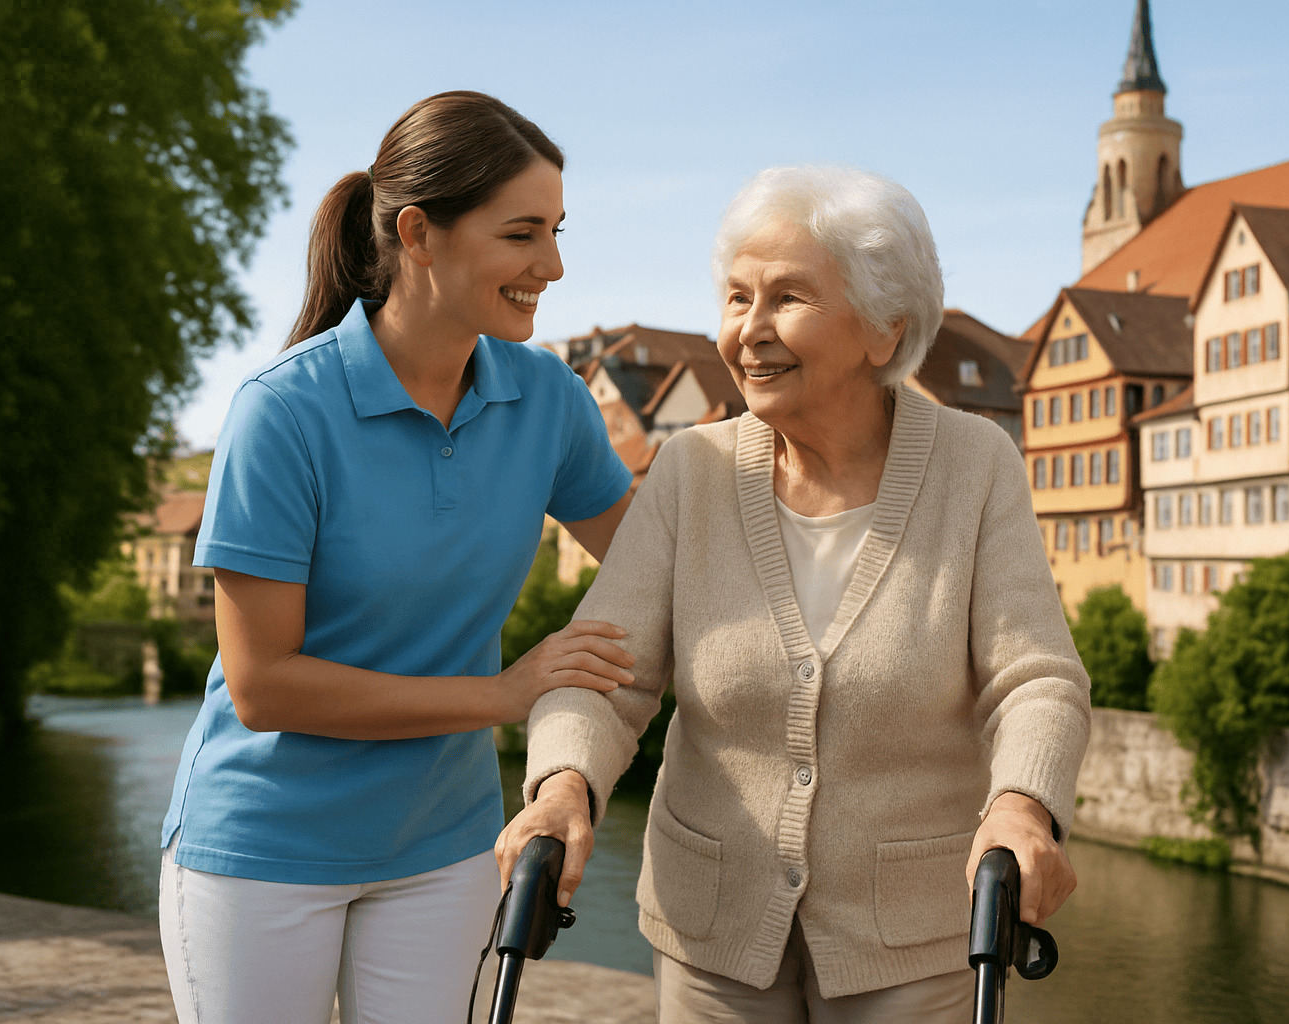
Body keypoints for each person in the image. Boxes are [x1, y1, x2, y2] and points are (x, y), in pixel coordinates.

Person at [498, 165, 1091, 1022]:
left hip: (914, 937)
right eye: (738, 298)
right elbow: (605, 674)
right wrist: (562, 786)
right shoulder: (689, 473)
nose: (749, 330)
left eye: (787, 298)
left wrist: (1021, 806)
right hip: (713, 931)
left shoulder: (976, 464)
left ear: (885, 329)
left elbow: (1035, 678)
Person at [157, 91, 637, 1024]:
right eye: (522, 234)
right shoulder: (283, 413)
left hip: (444, 848)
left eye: (557, 231)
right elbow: (265, 686)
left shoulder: (548, 399)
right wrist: (505, 693)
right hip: (263, 851)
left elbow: (655, 566)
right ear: (419, 234)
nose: (553, 265)